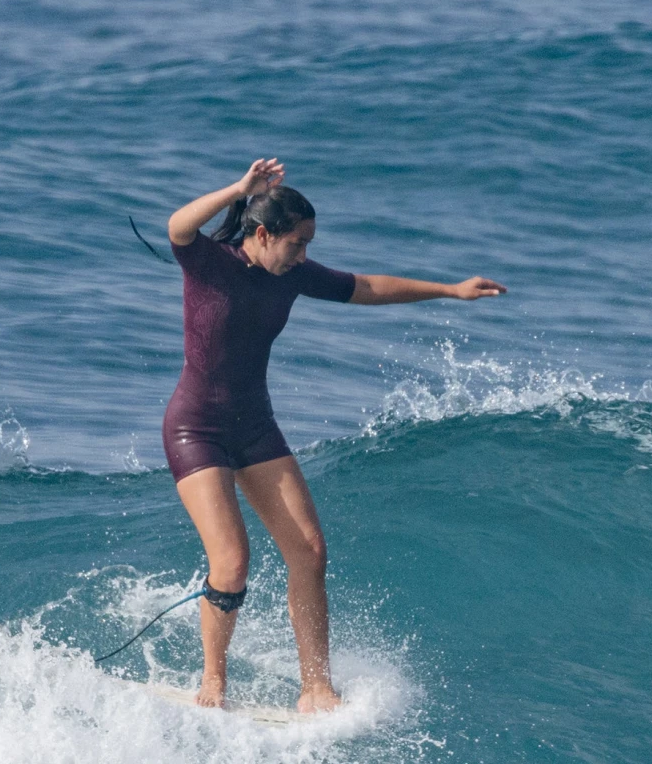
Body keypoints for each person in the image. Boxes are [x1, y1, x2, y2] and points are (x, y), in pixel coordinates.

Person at [164, 158, 506, 713]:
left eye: (308, 245)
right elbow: (178, 226)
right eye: (296, 243)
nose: (303, 255)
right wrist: (239, 188)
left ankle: (316, 687)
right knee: (231, 563)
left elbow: (365, 287)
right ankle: (213, 682)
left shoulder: (291, 274)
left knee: (309, 552)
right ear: (262, 234)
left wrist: (449, 290)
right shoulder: (209, 263)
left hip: (254, 427)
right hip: (195, 429)